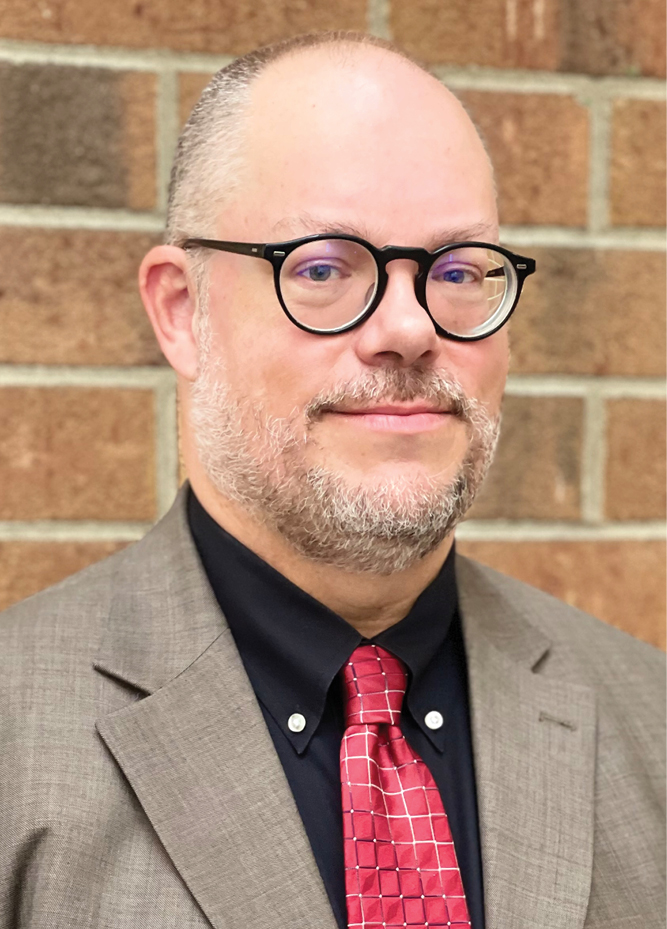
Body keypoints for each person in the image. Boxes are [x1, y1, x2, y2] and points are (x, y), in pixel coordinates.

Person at [0, 31, 663, 929]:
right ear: (182, 310)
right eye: (321, 267)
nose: (407, 326)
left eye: (459, 270)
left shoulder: (645, 715)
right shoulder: (16, 739)